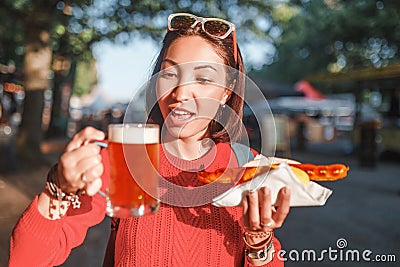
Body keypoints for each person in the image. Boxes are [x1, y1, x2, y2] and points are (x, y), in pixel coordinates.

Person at [9, 13, 291, 266]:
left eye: (203, 79)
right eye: (170, 74)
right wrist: (58, 186)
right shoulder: (128, 157)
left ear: (227, 92)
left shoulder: (249, 167)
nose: (180, 94)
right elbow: (26, 258)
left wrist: (259, 243)